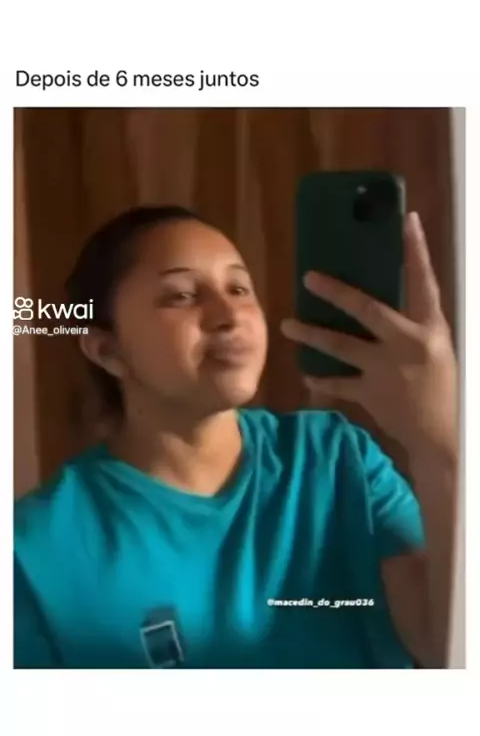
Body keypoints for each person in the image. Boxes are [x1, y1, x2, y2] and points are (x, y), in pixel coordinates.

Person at [14, 205, 458, 669]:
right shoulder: (37, 551)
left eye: (239, 288)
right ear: (108, 350)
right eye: (182, 295)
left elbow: (444, 644)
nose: (228, 315)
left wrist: (441, 443)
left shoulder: (336, 458)